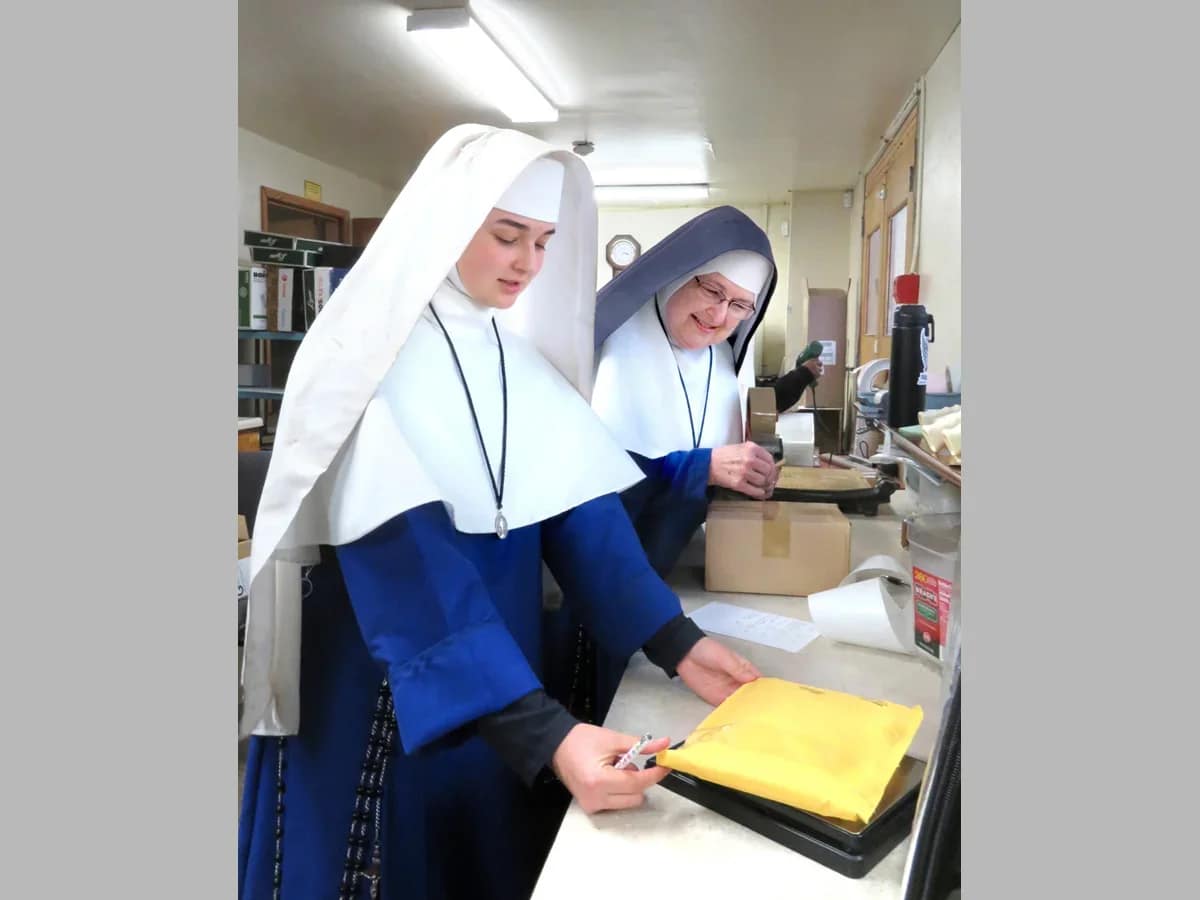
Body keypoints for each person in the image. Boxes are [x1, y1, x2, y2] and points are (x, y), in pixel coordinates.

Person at [237, 125, 760, 900]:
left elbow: (581, 515)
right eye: (508, 235)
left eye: (544, 242)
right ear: (446, 222)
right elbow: (405, 559)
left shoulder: (510, 355)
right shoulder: (366, 355)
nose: (529, 264)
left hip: (494, 664)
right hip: (395, 665)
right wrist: (543, 731)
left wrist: (674, 639)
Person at [543, 208, 784, 726]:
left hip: (668, 577)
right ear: (677, 273)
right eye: (712, 291)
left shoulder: (717, 355)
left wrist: (742, 471)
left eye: (741, 305)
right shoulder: (612, 346)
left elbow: (706, 452)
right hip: (594, 587)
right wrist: (699, 468)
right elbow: (585, 485)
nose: (720, 317)